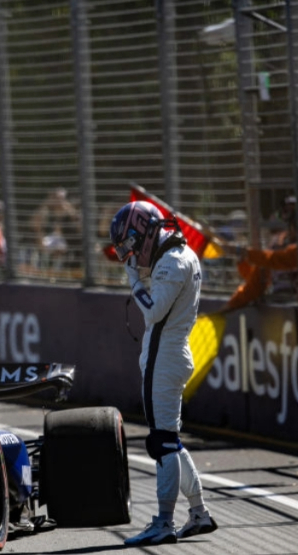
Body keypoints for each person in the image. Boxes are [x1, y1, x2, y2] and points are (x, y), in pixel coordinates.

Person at [108, 201, 217, 546]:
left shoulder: (171, 261)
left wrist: (132, 281)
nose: (131, 256)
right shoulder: (181, 255)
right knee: (170, 440)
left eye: (130, 245)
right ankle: (199, 512)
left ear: (145, 233)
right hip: (170, 353)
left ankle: (164, 521)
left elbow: (153, 311)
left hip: (165, 356)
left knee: (162, 442)